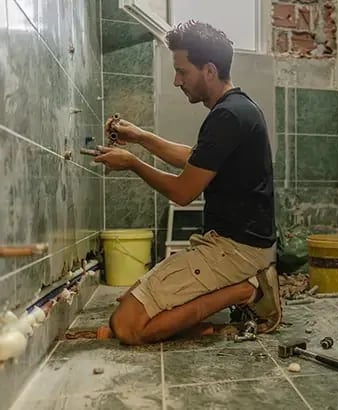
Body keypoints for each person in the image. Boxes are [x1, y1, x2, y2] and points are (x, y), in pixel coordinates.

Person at [93, 20, 280, 345]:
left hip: (236, 252)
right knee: (130, 298)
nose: (177, 80)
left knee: (127, 326)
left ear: (209, 70)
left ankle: (245, 289)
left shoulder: (227, 116)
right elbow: (196, 159)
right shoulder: (239, 108)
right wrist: (140, 136)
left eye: (182, 71)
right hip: (234, 244)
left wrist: (133, 163)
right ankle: (241, 285)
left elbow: (183, 192)